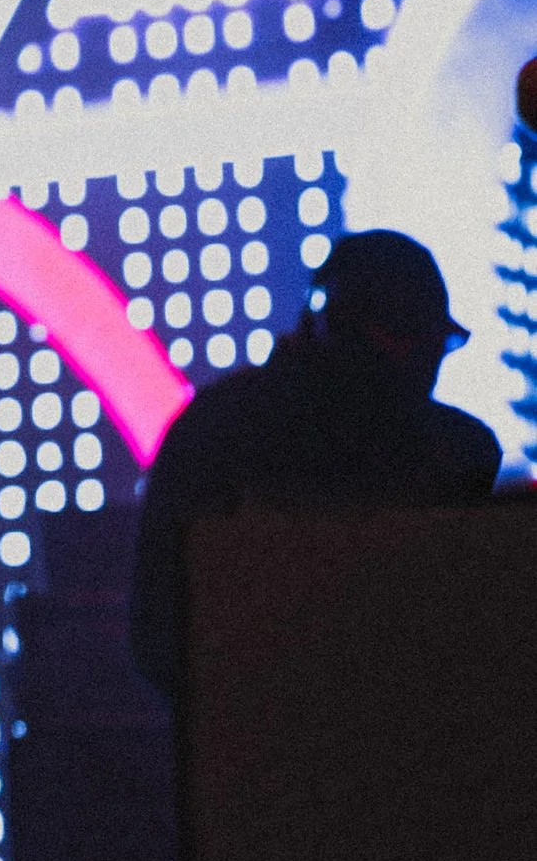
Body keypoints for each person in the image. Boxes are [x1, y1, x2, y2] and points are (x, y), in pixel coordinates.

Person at [128, 229, 501, 702]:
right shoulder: (222, 435)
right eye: (410, 338)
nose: (427, 366)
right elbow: (162, 633)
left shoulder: (459, 453)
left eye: (434, 345)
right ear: (336, 325)